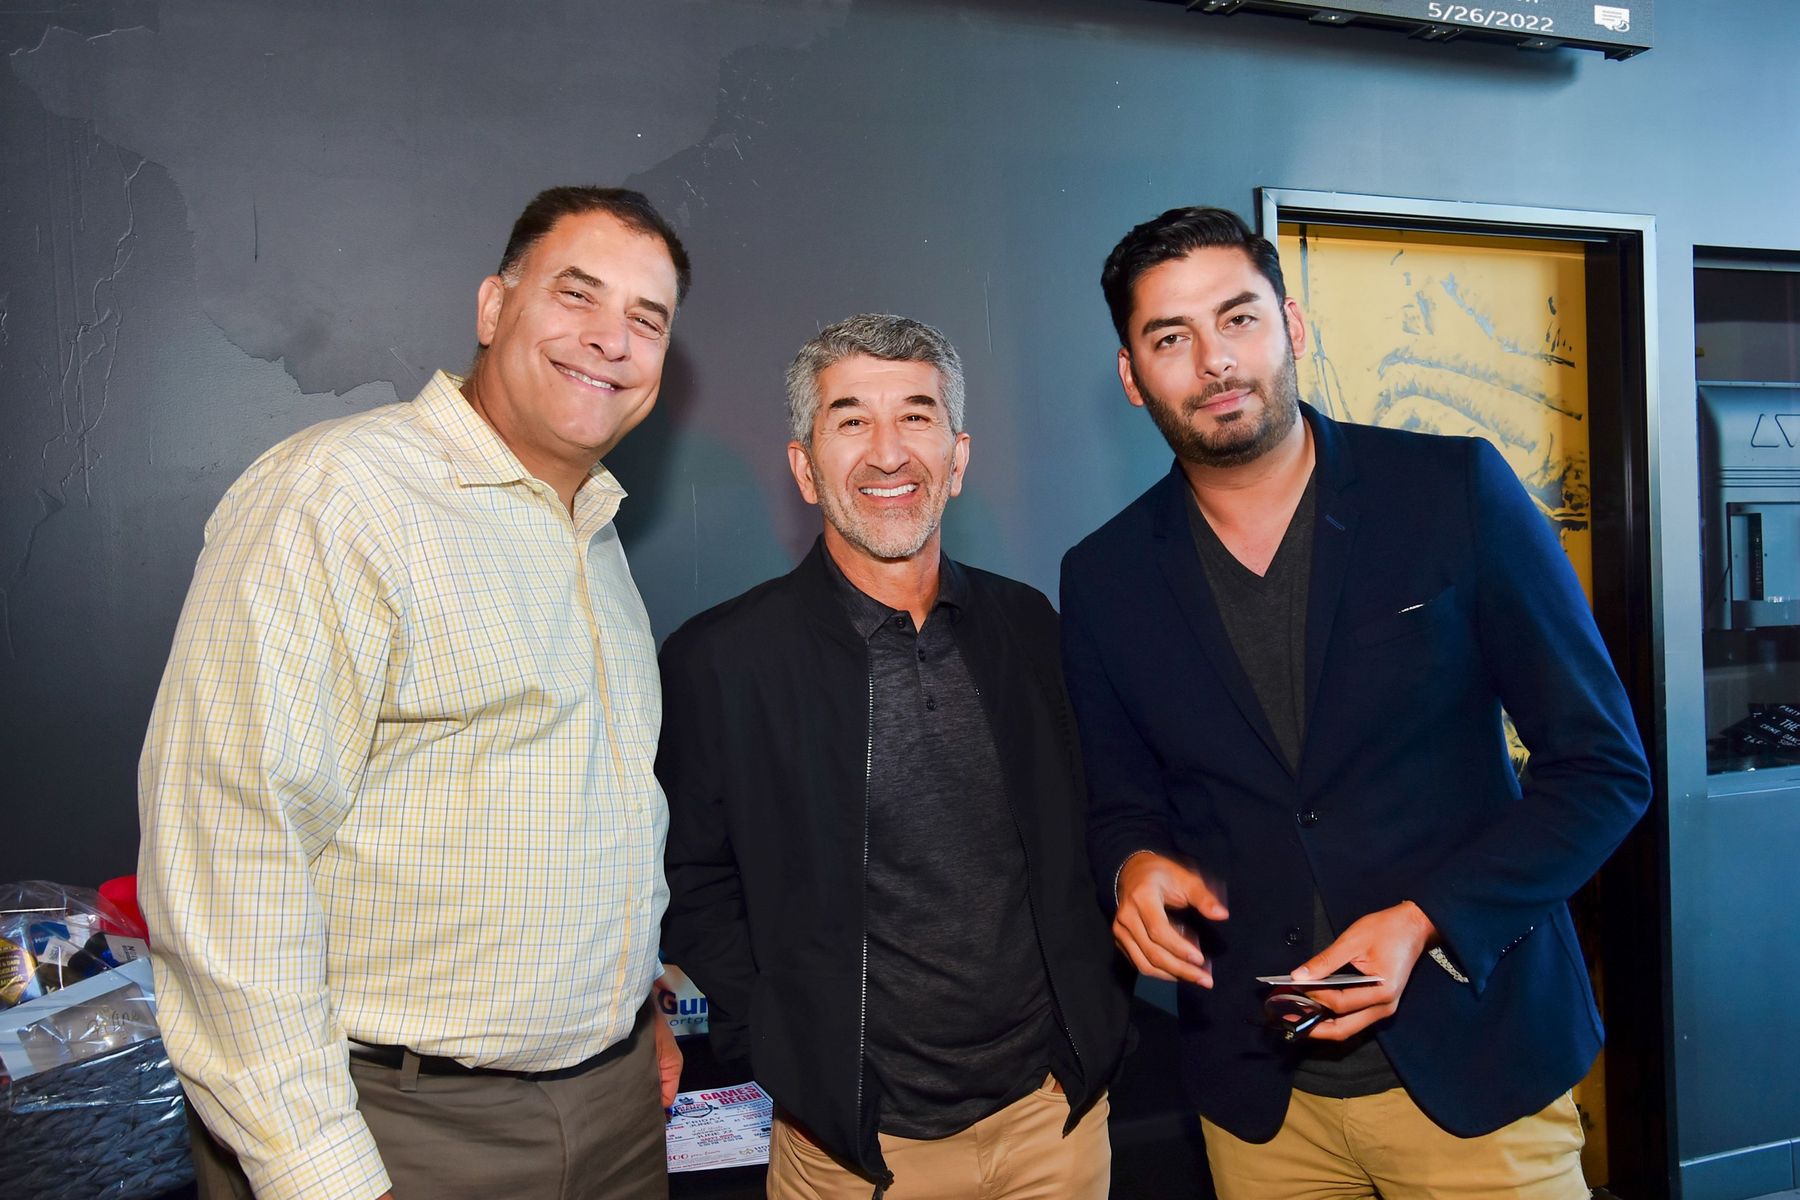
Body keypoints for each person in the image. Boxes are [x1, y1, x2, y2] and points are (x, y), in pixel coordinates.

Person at [1059, 206, 1652, 1199]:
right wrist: (1134, 867)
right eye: (1170, 337)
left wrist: (1428, 919)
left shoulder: (1452, 491)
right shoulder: (1104, 576)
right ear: (1131, 375)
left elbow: (1603, 771)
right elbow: (1119, 802)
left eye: (1238, 318)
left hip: (1475, 1071)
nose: (1215, 360)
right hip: (1258, 1106)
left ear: (1291, 325)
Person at [137, 186, 691, 1200]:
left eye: (646, 320)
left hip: (614, 1108)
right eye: (578, 295)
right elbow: (229, 849)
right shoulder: (340, 496)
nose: (612, 339)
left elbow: (581, 808)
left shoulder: (592, 533)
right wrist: (319, 1169)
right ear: (493, 307)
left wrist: (629, 1003)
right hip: (407, 1127)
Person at [658, 314, 1130, 1199]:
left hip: (1054, 1125)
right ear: (805, 468)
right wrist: (787, 1043)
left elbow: (1089, 832)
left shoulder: (1030, 627)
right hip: (853, 1155)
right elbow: (692, 880)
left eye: (916, 416)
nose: (888, 453)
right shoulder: (721, 661)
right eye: (851, 420)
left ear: (958, 457)